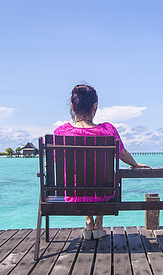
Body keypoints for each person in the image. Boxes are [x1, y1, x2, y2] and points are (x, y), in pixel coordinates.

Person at [54, 83, 149, 239]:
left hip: (73, 193)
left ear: (72, 105)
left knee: (81, 179)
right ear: (95, 106)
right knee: (100, 182)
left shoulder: (61, 132)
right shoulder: (107, 130)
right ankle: (98, 223)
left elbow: (52, 162)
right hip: (104, 192)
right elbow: (123, 154)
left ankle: (88, 222)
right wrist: (135, 164)